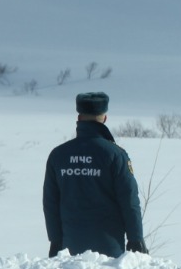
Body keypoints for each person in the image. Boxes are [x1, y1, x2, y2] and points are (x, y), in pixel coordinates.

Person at [43, 91, 146, 258]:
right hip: (109, 248)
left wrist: (55, 240)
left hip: (69, 248)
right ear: (104, 118)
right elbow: (129, 200)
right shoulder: (115, 154)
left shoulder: (58, 155)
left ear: (79, 117)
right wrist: (136, 238)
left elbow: (50, 203)